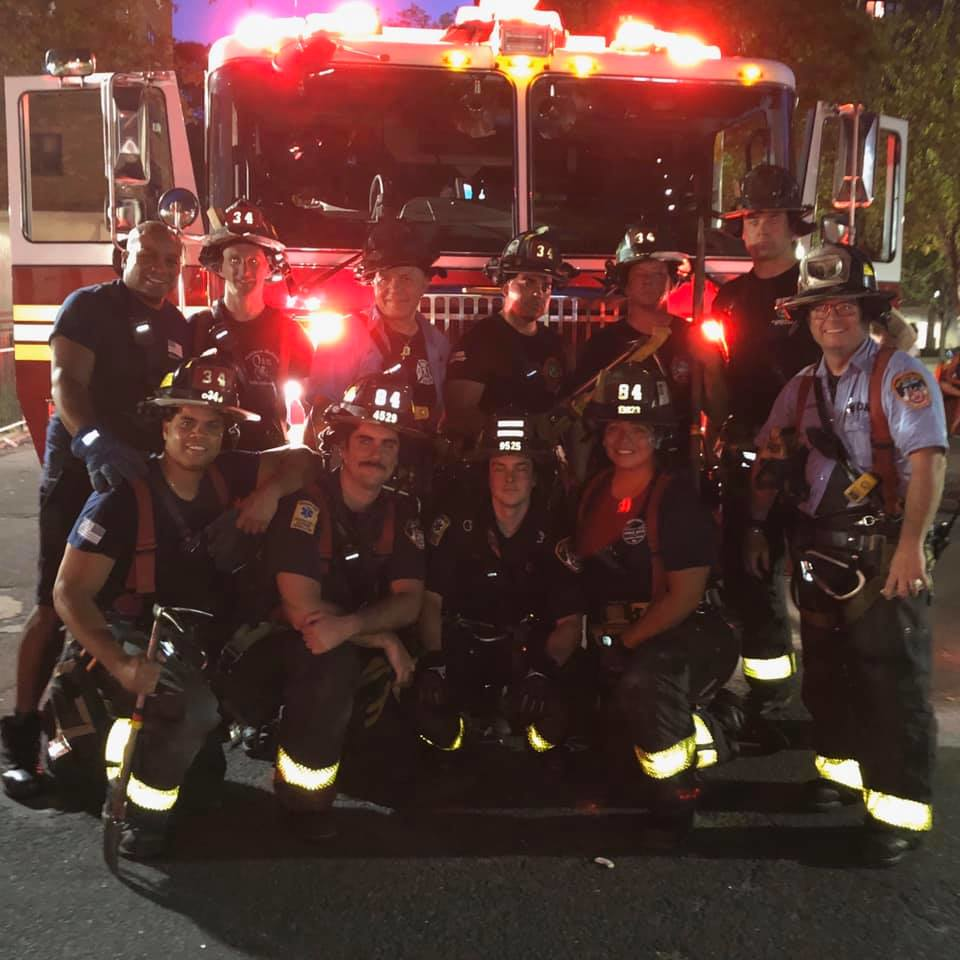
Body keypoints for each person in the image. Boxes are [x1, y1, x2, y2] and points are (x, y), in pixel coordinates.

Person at [51, 356, 320, 858]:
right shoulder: (122, 498)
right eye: (187, 422)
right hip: (130, 635)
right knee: (191, 708)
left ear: (226, 432)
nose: (199, 435)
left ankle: (200, 756)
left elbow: (306, 458)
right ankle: (141, 818)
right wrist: (124, 665)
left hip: (202, 638)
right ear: (165, 424)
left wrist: (268, 493)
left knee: (294, 664)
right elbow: (69, 593)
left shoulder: (231, 473)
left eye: (213, 425)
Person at [747, 243, 947, 867]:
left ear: (866, 312)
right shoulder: (801, 387)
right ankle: (839, 775)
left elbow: (928, 460)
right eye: (818, 308)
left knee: (891, 682)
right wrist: (757, 528)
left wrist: (911, 548)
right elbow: (772, 459)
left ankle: (898, 812)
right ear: (806, 320)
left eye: (842, 307)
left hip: (883, 550)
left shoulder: (900, 375)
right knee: (830, 677)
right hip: (819, 550)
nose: (830, 318)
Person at [1, 222, 192, 801]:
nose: (160, 265)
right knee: (53, 605)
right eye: (148, 254)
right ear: (122, 256)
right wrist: (91, 443)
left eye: (170, 258)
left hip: (136, 478)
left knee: (120, 607)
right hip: (82, 471)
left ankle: (85, 732)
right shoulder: (87, 306)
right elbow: (66, 382)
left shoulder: (177, 327)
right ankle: (21, 740)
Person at [222, 373, 426, 839]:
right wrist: (380, 635)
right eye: (366, 440)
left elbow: (410, 600)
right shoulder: (305, 506)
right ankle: (302, 800)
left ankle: (343, 748)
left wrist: (365, 628)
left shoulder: (401, 511)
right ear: (341, 446)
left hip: (346, 635)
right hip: (276, 648)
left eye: (389, 444)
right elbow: (305, 616)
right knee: (328, 665)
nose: (377, 453)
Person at [575, 364, 740, 847]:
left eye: (639, 429)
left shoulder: (676, 498)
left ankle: (678, 794)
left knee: (645, 683)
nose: (623, 439)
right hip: (619, 634)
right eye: (615, 428)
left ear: (659, 436)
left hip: (685, 632)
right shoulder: (592, 492)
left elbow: (685, 596)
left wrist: (624, 645)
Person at [416, 411, 585, 756]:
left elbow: (570, 622)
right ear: (487, 474)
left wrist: (542, 672)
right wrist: (435, 662)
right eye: (500, 468)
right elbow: (431, 601)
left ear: (536, 477)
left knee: (554, 726)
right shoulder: (458, 525)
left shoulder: (554, 532)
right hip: (464, 645)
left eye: (520, 468)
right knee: (432, 722)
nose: (510, 479)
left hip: (529, 650)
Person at [568, 224, 727, 476]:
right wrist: (580, 484)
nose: (648, 281)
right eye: (640, 273)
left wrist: (712, 366)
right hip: (614, 470)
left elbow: (718, 412)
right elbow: (581, 423)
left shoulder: (694, 338)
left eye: (657, 273)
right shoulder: (601, 347)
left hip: (675, 471)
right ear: (625, 284)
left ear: (672, 282)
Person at [307, 218, 450, 431]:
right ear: (372, 281)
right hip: (364, 458)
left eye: (406, 278)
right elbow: (322, 413)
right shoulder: (347, 335)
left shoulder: (439, 344)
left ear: (425, 283)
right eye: (384, 278)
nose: (394, 288)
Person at [193, 200, 314, 451]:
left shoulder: (290, 333)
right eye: (234, 260)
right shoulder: (197, 327)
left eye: (254, 262)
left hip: (266, 454)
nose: (244, 271)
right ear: (220, 267)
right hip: (208, 454)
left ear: (269, 267)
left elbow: (310, 400)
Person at [444, 227, 575, 443]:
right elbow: (460, 415)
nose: (538, 293)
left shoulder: (555, 343)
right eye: (528, 282)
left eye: (546, 286)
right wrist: (524, 433)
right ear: (505, 287)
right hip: (492, 458)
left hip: (542, 461)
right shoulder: (479, 340)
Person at [935, 348, 960, 435]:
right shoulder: (957, 357)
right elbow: (948, 377)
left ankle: (954, 427)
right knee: (942, 385)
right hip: (955, 385)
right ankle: (953, 428)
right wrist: (957, 382)